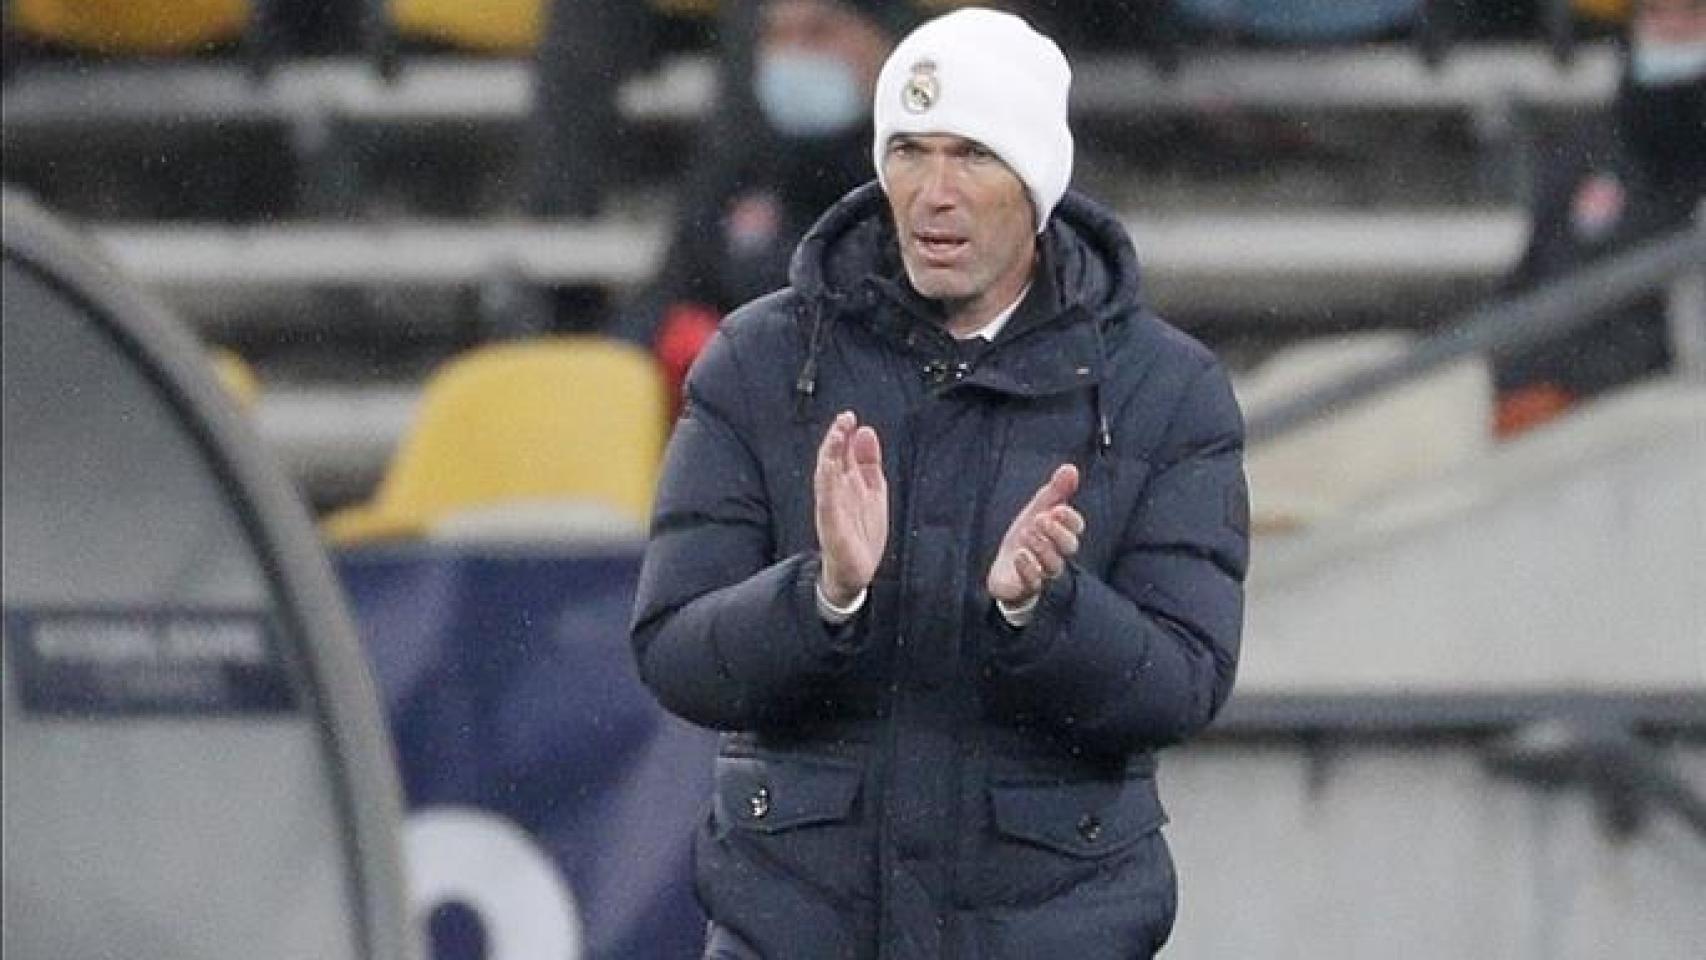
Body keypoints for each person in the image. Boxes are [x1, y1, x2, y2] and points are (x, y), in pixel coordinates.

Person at [629, 8, 1250, 958]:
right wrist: (822, 599)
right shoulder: (759, 359)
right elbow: (675, 649)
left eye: (973, 156)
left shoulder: (1167, 389)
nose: (934, 194)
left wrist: (1046, 613)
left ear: (1039, 181)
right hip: (792, 928)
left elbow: (1184, 683)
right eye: (910, 152)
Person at [612, 0, 915, 404]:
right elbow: (667, 295)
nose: (794, 54)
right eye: (776, 36)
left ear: (885, 44)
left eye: (818, 33)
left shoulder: (920, 177)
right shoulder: (740, 167)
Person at [1494, 0, 1705, 437]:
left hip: (1661, 417)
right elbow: (1531, 281)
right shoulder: (1590, 147)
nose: (1674, 29)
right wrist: (1524, 382)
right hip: (1553, 402)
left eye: (1693, 12)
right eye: (1656, 12)